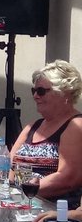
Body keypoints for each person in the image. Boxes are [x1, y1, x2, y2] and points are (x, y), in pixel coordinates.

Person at [10, 60, 82, 207]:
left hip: (54, 210)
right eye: (34, 91)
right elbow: (9, 166)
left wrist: (24, 191)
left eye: (41, 91)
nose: (35, 96)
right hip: (19, 203)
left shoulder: (75, 126)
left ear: (64, 93)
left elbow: (68, 178)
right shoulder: (32, 127)